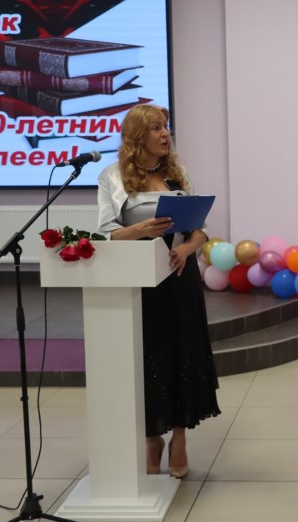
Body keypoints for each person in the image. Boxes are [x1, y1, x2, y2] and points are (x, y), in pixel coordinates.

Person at [97, 103, 221, 479]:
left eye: (166, 126)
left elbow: (200, 230)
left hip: (179, 275)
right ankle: (152, 438)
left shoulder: (176, 175)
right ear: (137, 136)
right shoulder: (113, 176)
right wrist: (141, 229)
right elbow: (105, 233)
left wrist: (186, 249)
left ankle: (179, 437)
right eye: (156, 128)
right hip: (140, 279)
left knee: (183, 353)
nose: (165, 133)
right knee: (150, 357)